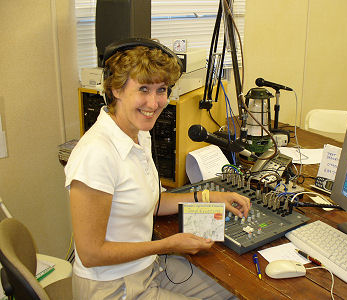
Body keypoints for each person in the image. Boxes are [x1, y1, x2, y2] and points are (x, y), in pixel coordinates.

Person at [65, 38, 250, 300]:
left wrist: (210, 196)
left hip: (148, 269)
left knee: (235, 293)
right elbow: (91, 253)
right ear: (116, 89)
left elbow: (150, 202)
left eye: (161, 90)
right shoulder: (95, 154)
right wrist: (169, 244)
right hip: (112, 287)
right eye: (143, 89)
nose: (154, 104)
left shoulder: (139, 133)